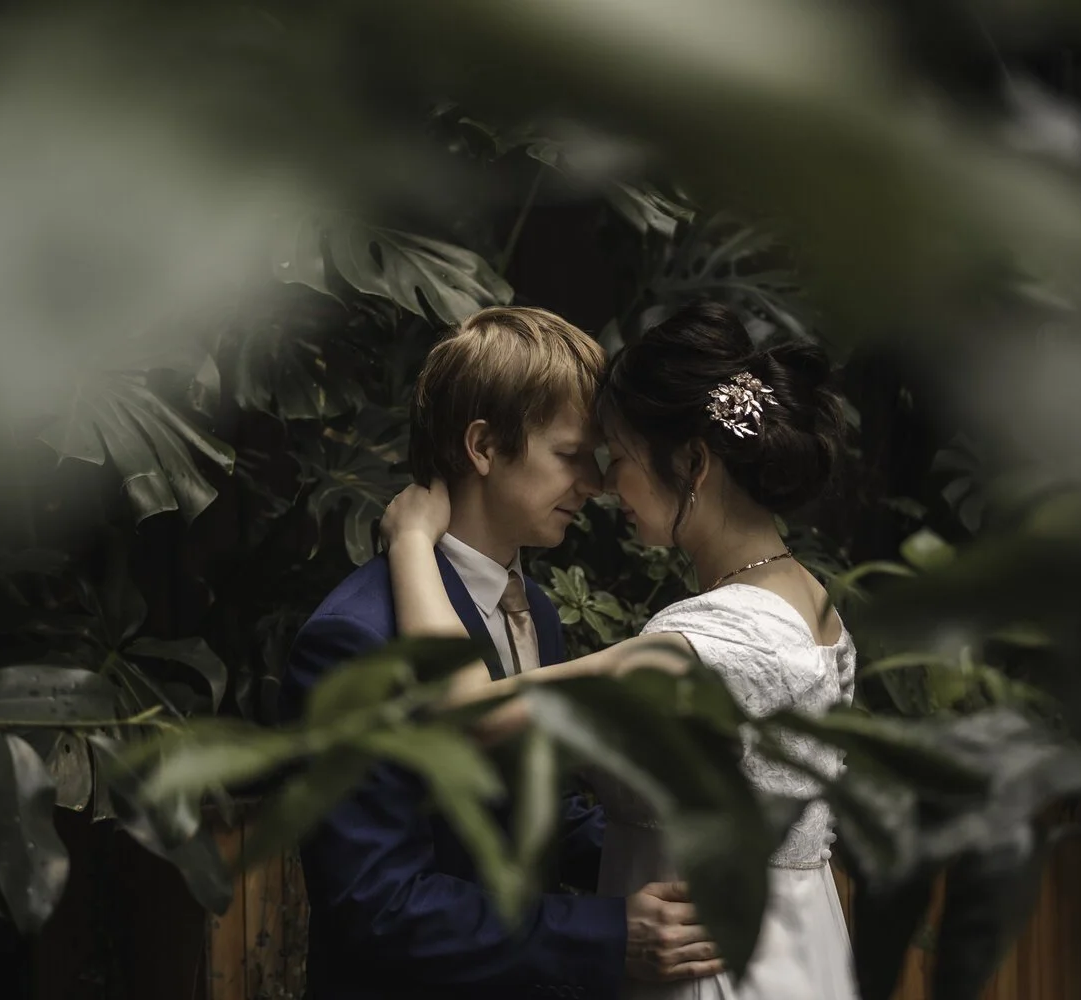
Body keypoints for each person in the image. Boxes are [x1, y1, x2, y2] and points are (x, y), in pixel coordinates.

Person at [382, 302, 860, 999]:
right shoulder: (811, 605)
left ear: (693, 464)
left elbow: (466, 713)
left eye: (620, 459)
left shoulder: (703, 646)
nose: (604, 486)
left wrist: (409, 543)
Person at [279, 306, 723, 1000]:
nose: (596, 484)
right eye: (570, 454)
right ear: (483, 446)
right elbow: (377, 904)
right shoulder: (356, 639)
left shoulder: (534, 608)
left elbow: (530, 808)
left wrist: (670, 858)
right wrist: (610, 934)